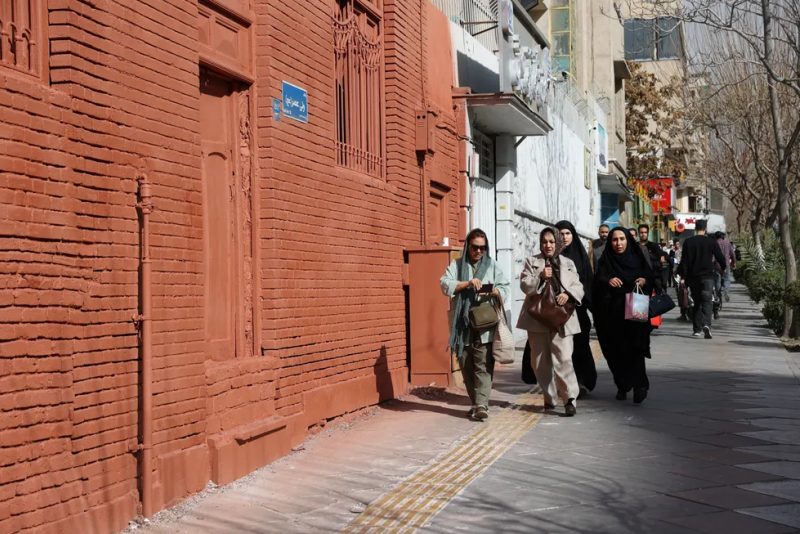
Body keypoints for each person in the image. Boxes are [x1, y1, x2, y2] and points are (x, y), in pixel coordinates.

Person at [441, 228, 511, 421]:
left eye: (482, 247)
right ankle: (475, 403)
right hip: (462, 324)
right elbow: (445, 284)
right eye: (475, 247)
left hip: (485, 322)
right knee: (466, 364)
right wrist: (468, 284)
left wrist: (494, 291)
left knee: (483, 364)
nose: (479, 251)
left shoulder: (492, 265)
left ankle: (482, 404)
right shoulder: (457, 265)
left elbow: (505, 287)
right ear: (468, 246)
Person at [517, 228, 584, 417]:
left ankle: (570, 399)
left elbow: (578, 285)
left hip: (562, 318)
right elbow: (525, 286)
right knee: (539, 363)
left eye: (552, 242)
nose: (548, 245)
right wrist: (540, 276)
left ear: (558, 243)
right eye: (545, 242)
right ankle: (549, 397)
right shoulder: (532, 261)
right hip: (538, 318)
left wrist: (568, 295)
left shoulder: (568, 263)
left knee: (564, 359)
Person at [592, 227, 655, 404]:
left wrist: (644, 280)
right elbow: (597, 281)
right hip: (613, 311)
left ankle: (640, 386)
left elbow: (650, 276)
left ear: (628, 240)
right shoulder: (606, 260)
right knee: (616, 350)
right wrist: (607, 281)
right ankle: (623, 384)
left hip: (636, 304)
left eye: (622, 239)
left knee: (636, 347)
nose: (618, 243)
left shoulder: (637, 257)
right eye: (614, 240)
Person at [555, 220, 597, 397]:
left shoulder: (580, 256)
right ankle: (565, 385)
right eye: (561, 234)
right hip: (557, 311)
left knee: (580, 347)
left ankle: (582, 381)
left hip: (578, 310)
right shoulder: (551, 254)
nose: (564, 237)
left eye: (568, 233)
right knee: (562, 350)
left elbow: (587, 283)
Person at [677, 220, 726, 339]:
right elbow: (720, 257)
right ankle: (707, 324)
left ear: (695, 228)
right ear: (705, 229)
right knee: (707, 301)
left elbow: (684, 261)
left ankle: (697, 329)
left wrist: (683, 277)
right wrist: (723, 268)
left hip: (693, 277)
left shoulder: (688, 242)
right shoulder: (711, 241)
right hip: (707, 276)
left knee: (696, 301)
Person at [638, 224, 668, 291]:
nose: (643, 234)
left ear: (648, 234)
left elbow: (662, 255)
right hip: (640, 277)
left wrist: (662, 257)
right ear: (639, 234)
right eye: (641, 232)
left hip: (653, 278)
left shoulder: (654, 246)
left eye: (645, 232)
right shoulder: (635, 246)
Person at [715, 232, 736, 302]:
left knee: (717, 280)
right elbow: (732, 254)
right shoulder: (728, 243)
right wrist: (734, 263)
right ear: (722, 236)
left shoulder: (714, 243)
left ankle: (718, 295)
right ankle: (726, 290)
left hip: (716, 264)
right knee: (726, 279)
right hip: (726, 264)